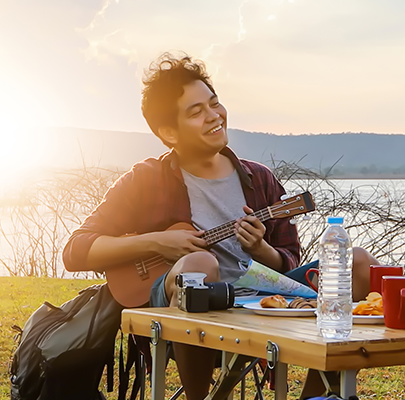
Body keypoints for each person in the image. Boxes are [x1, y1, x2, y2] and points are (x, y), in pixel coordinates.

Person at [62, 53, 377, 400]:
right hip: (179, 305)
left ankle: (316, 395)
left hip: (259, 298)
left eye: (214, 104)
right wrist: (156, 243)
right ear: (168, 131)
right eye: (196, 112)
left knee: (359, 262)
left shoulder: (259, 179)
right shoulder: (146, 179)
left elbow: (288, 261)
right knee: (201, 265)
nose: (214, 116)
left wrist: (262, 251)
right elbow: (76, 251)